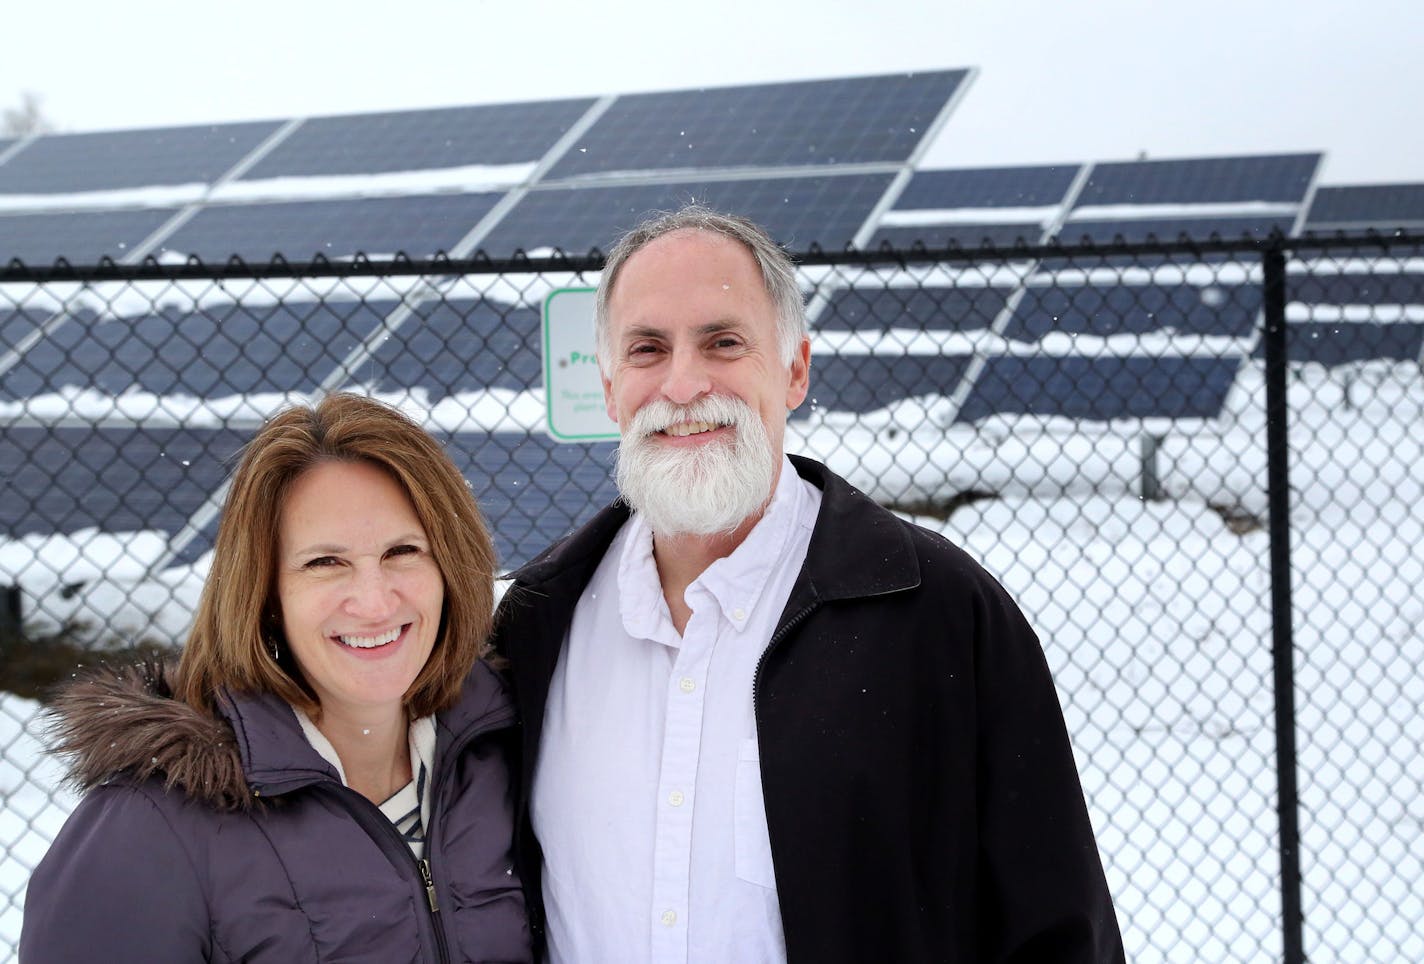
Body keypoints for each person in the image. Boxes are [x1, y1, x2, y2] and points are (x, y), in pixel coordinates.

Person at [494, 206, 1125, 962]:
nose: (683, 383)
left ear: (795, 370)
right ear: (608, 388)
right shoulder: (536, 627)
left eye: (723, 342)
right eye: (647, 349)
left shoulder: (940, 615)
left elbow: (1055, 929)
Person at [21, 393, 531, 963]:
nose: (373, 601)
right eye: (324, 562)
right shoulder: (151, 828)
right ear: (264, 592)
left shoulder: (515, 756)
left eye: (403, 551)